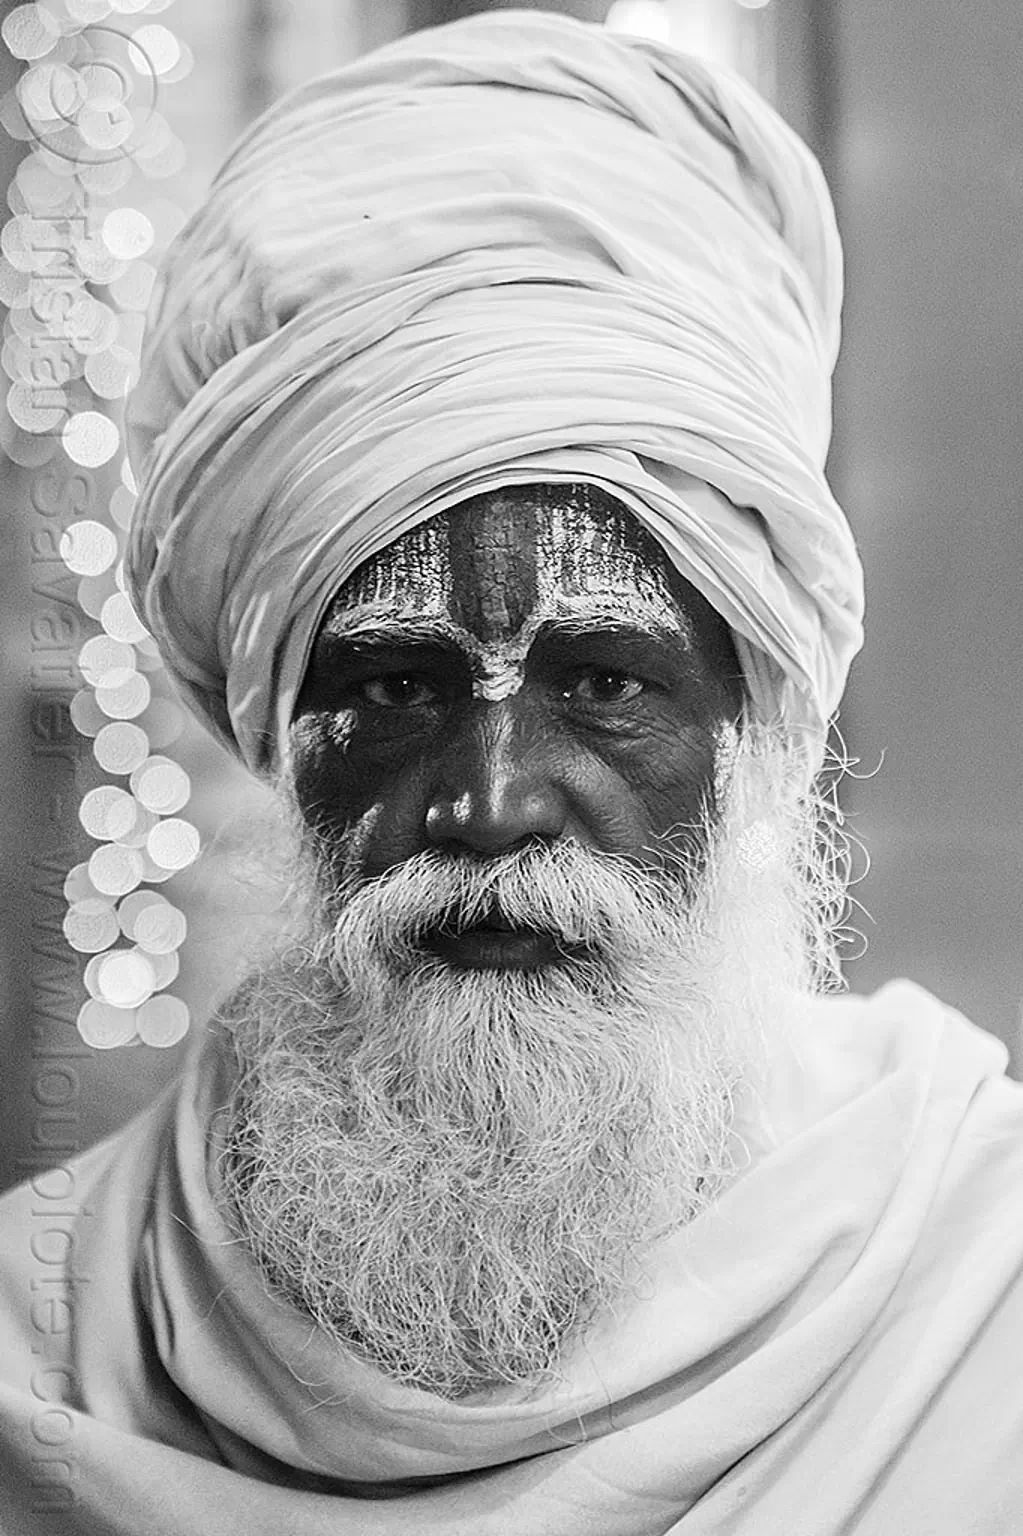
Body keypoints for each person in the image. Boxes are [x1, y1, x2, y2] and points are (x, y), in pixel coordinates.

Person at [2, 12, 1022, 1534]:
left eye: (604, 684)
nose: (489, 803)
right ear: (279, 730)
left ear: (751, 730)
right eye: (396, 687)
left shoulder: (980, 1278)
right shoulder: (43, 1327)